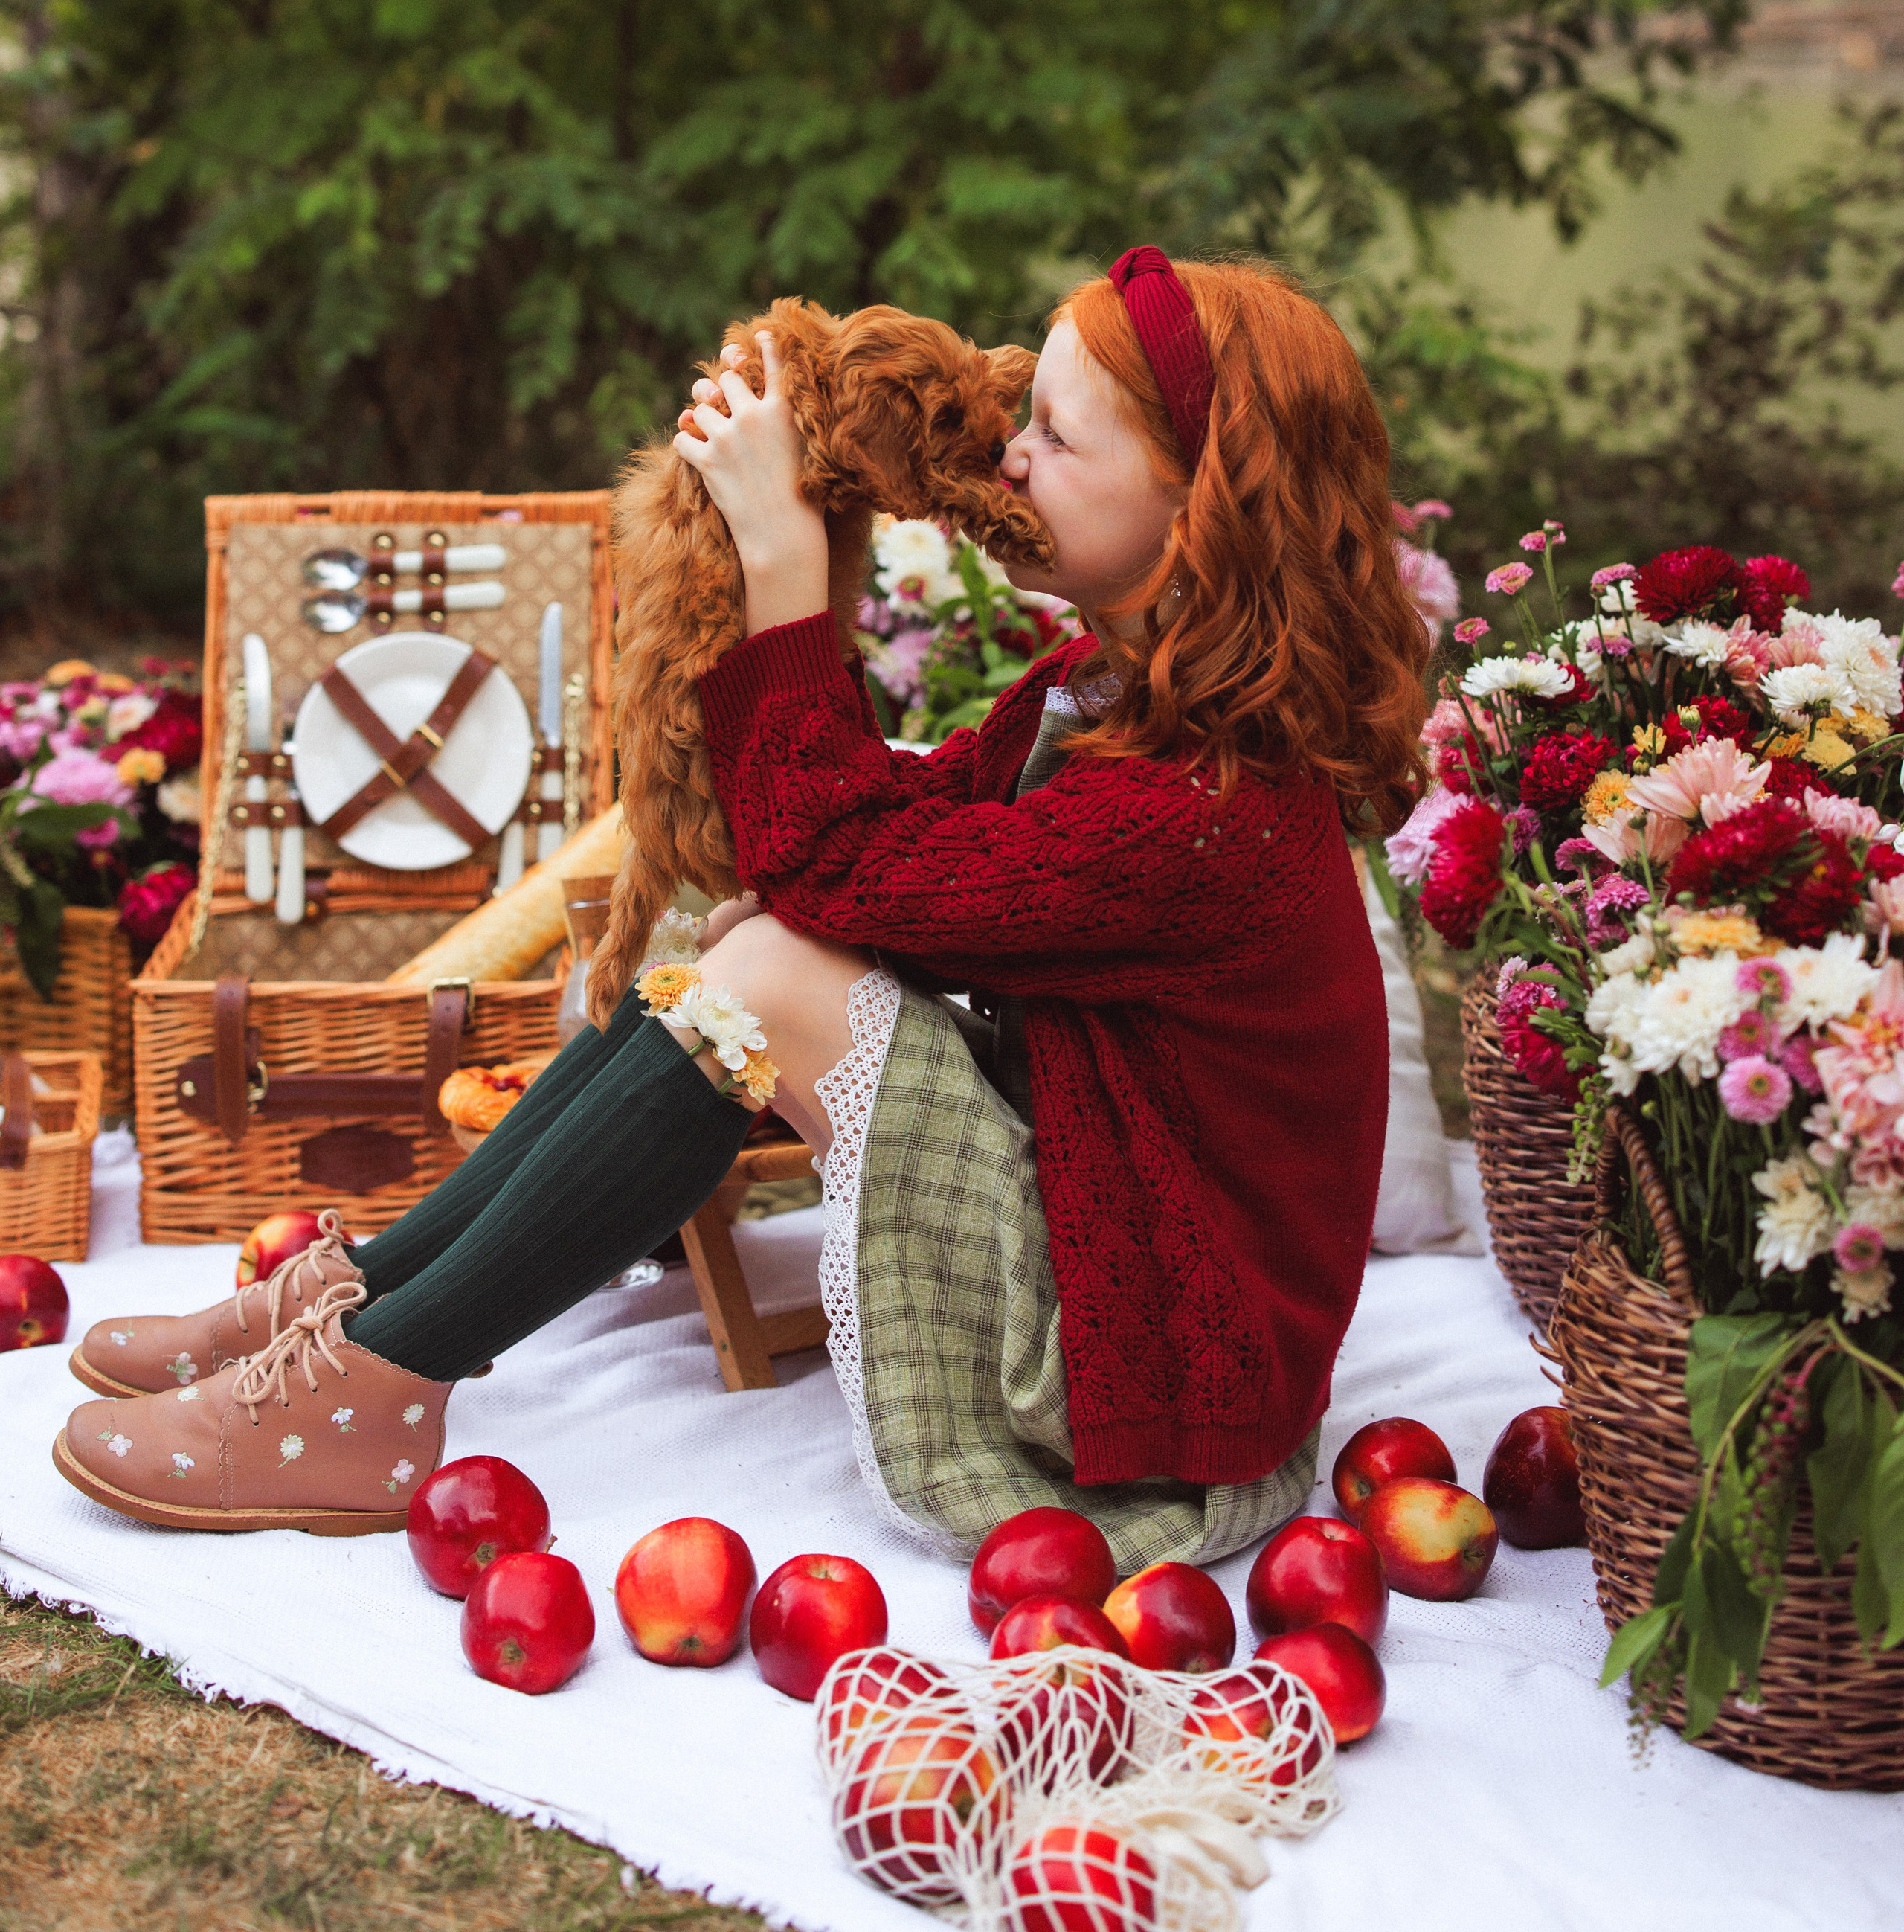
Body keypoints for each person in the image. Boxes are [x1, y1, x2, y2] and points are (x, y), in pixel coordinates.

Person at [54, 249, 1426, 1560]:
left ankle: (376, 1387)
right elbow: (854, 864)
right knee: (741, 949)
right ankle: (372, 1301)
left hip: (1163, 1373)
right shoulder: (1102, 699)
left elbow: (831, 861)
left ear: (1204, 509)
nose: (1011, 457)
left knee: (769, 970)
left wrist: (780, 551)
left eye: (1060, 440)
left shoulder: (1208, 806)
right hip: (1111, 1239)